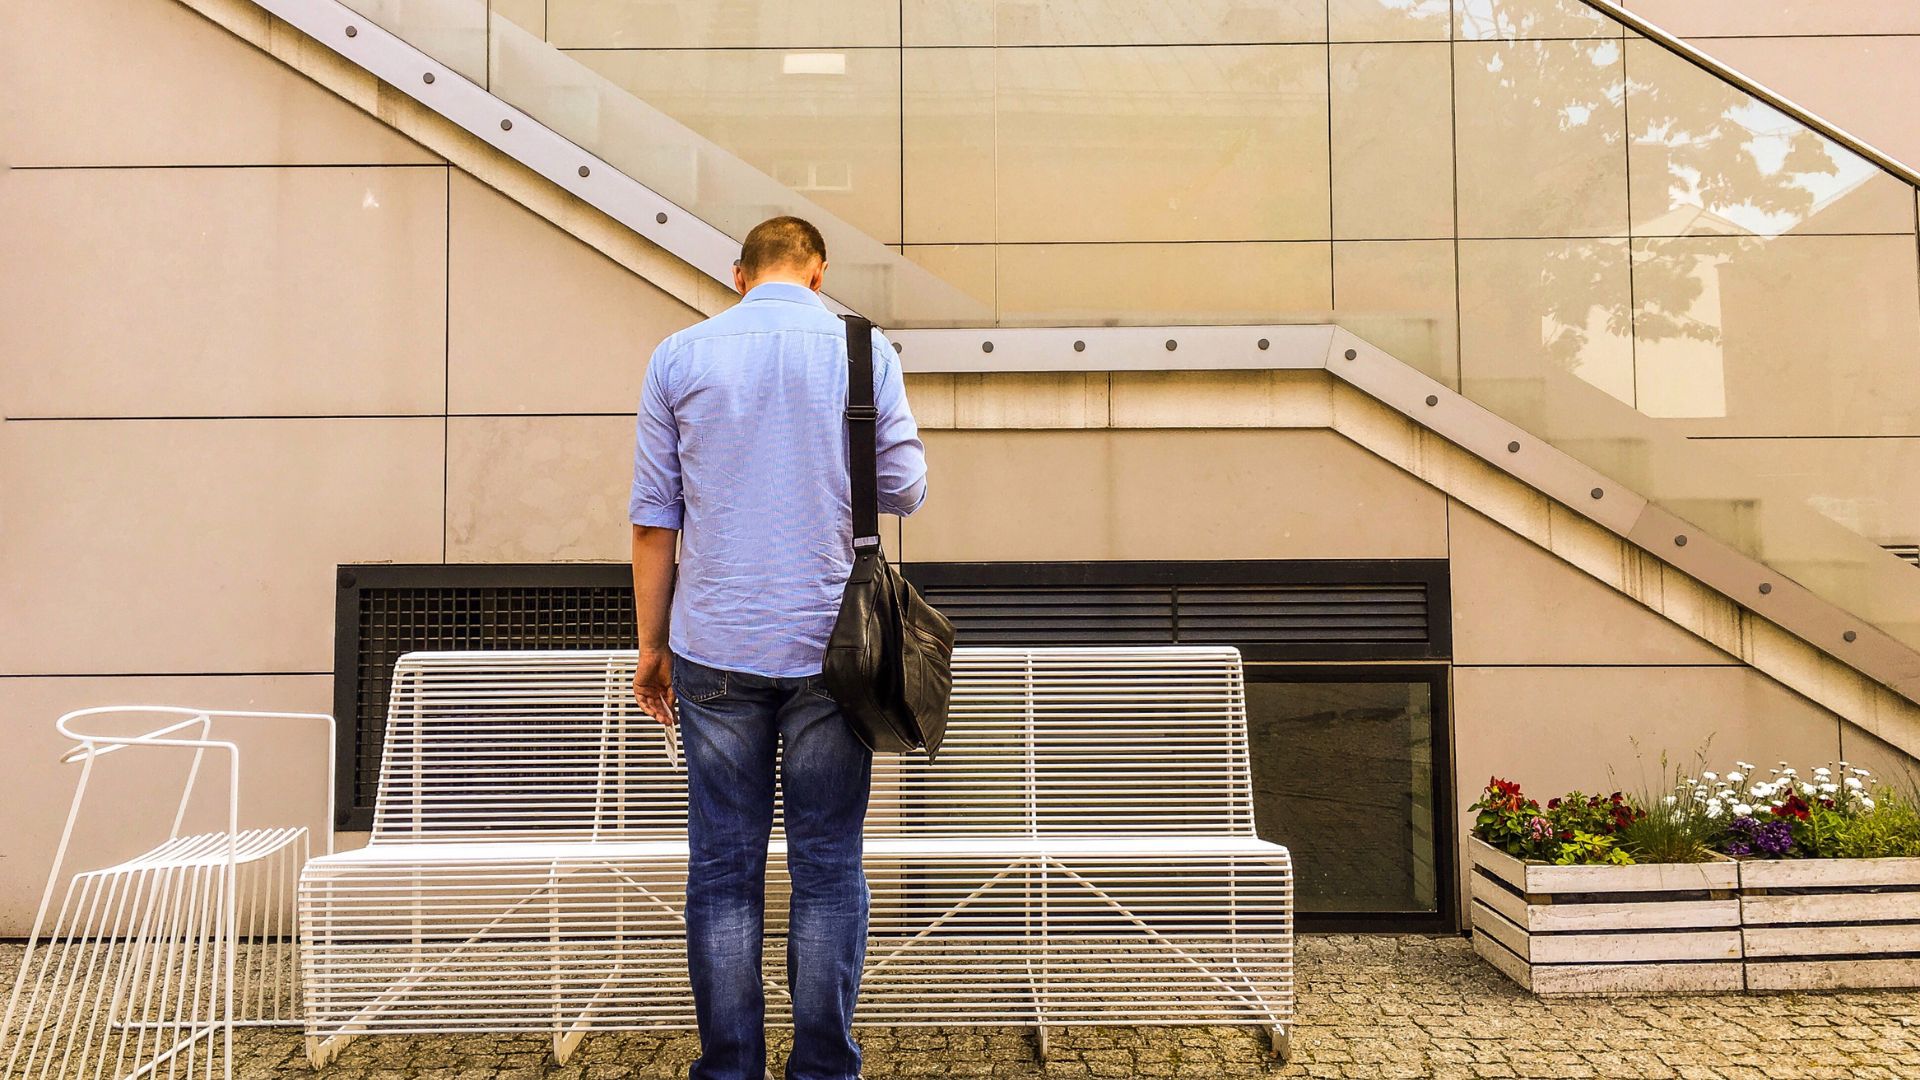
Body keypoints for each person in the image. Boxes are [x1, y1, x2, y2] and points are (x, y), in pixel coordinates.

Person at [627, 215, 928, 1080]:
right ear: (819, 274)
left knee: (724, 868)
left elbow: (653, 521)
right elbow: (905, 488)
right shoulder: (863, 351)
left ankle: (730, 1068)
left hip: (714, 643)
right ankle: (824, 1068)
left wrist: (652, 647)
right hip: (835, 647)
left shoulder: (679, 356)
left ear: (739, 275)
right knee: (828, 864)